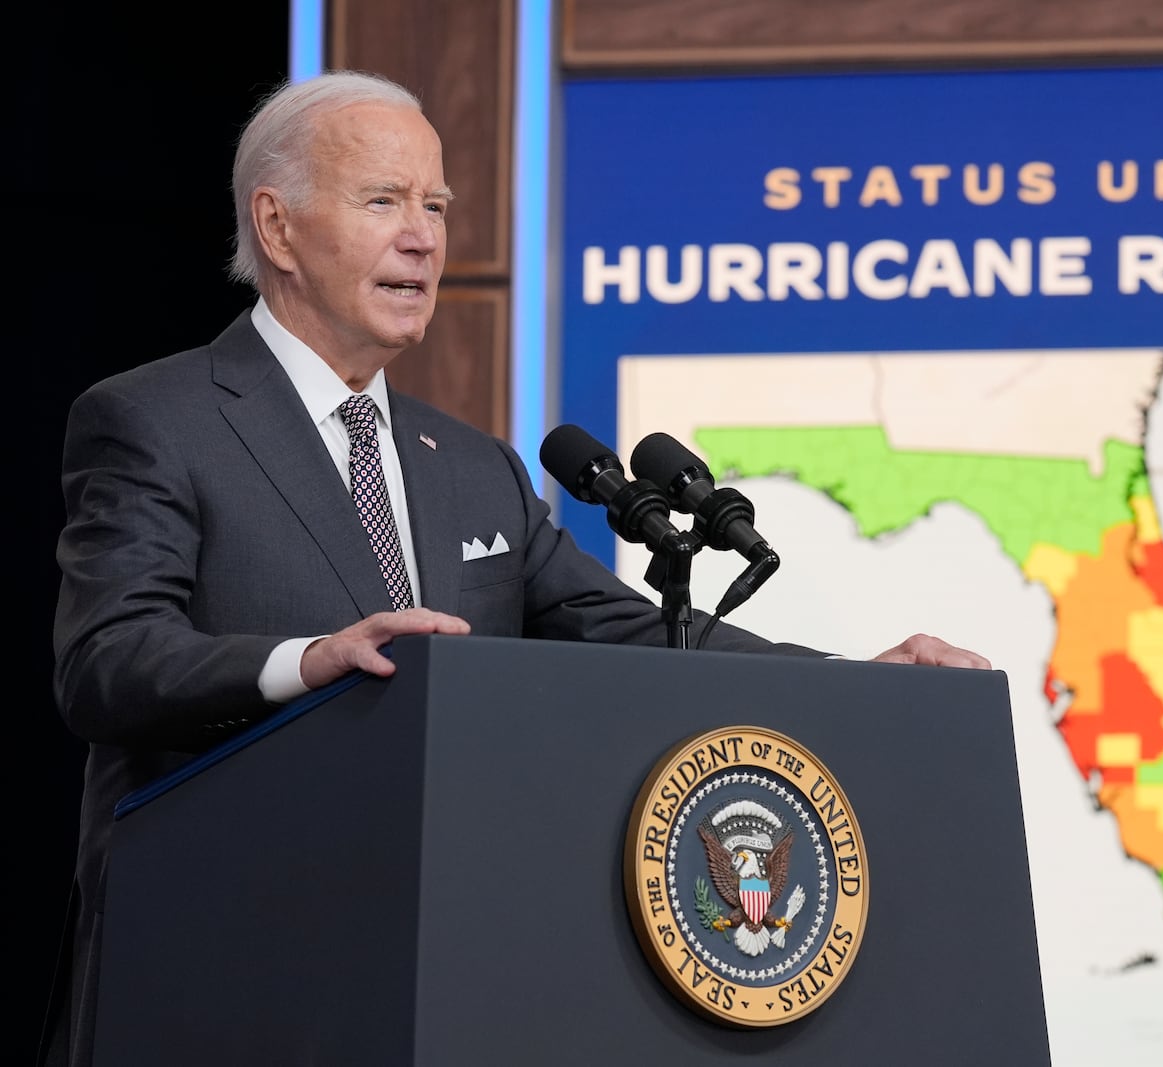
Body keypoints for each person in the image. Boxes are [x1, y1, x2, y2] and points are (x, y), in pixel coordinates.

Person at [40, 69, 988, 1066]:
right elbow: (105, 661)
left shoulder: (475, 466)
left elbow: (637, 631)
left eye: (437, 205)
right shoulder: (158, 419)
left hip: (430, 978)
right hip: (222, 974)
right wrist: (308, 659)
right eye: (383, 201)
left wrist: (855, 687)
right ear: (276, 229)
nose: (424, 234)